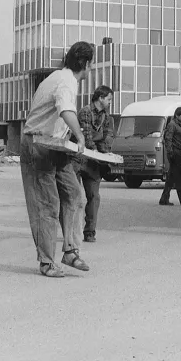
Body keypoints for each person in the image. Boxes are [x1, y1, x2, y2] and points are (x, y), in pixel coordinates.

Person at [20, 41, 94, 278]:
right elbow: (65, 110)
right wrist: (81, 135)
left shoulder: (59, 77)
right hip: (38, 145)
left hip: (55, 145)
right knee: (48, 204)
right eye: (92, 63)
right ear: (86, 64)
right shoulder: (65, 81)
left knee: (74, 195)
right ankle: (46, 261)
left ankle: (70, 251)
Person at [73, 85, 115, 243]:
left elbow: (107, 136)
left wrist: (106, 153)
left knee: (94, 197)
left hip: (94, 162)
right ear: (101, 98)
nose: (110, 102)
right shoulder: (85, 112)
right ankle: (71, 232)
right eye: (109, 99)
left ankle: (89, 232)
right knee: (74, 198)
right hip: (78, 160)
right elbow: (87, 138)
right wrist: (99, 153)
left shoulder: (106, 115)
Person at [159, 107, 181, 206]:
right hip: (175, 154)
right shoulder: (172, 125)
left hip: (178, 153)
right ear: (177, 115)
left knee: (171, 178)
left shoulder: (179, 125)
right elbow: (168, 139)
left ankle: (164, 199)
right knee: (180, 177)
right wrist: (170, 153)